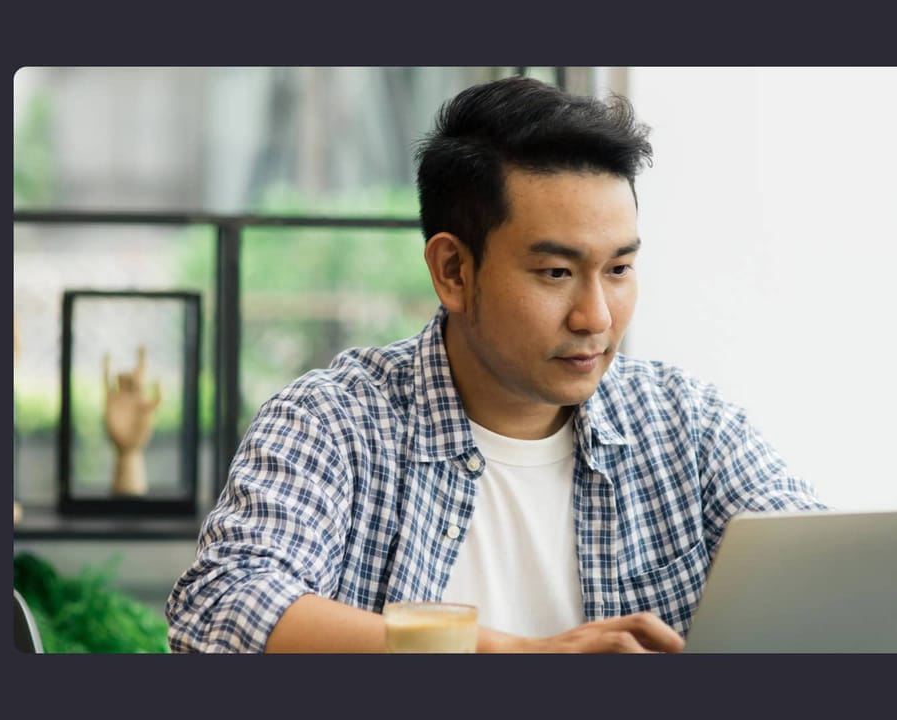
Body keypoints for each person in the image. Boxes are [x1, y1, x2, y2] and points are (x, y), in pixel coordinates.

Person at [166, 75, 826, 654]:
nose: (596, 316)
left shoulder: (690, 428)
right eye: (555, 272)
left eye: (620, 268)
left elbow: (836, 579)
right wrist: (507, 658)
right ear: (453, 271)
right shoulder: (336, 422)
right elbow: (222, 607)